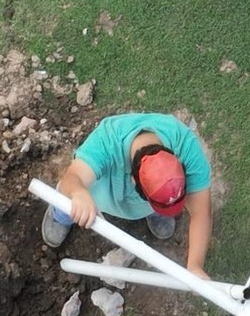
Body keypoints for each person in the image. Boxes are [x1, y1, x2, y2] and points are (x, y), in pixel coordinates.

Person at [42, 112, 214, 276]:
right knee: (67, 199)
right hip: (95, 193)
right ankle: (61, 216)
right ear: (133, 181)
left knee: (160, 196)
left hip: (143, 199)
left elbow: (201, 213)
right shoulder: (107, 141)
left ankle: (156, 209)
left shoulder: (186, 147)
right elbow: (72, 178)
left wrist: (195, 266)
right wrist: (78, 192)